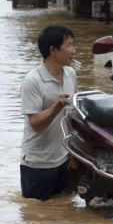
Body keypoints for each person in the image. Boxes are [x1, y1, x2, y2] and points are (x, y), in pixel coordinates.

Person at [20, 25, 77, 200]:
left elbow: (72, 115)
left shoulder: (71, 74)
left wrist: (74, 152)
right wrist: (57, 106)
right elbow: (35, 124)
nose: (74, 50)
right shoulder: (32, 81)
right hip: (38, 164)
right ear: (53, 50)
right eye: (69, 45)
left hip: (64, 158)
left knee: (63, 207)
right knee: (35, 211)